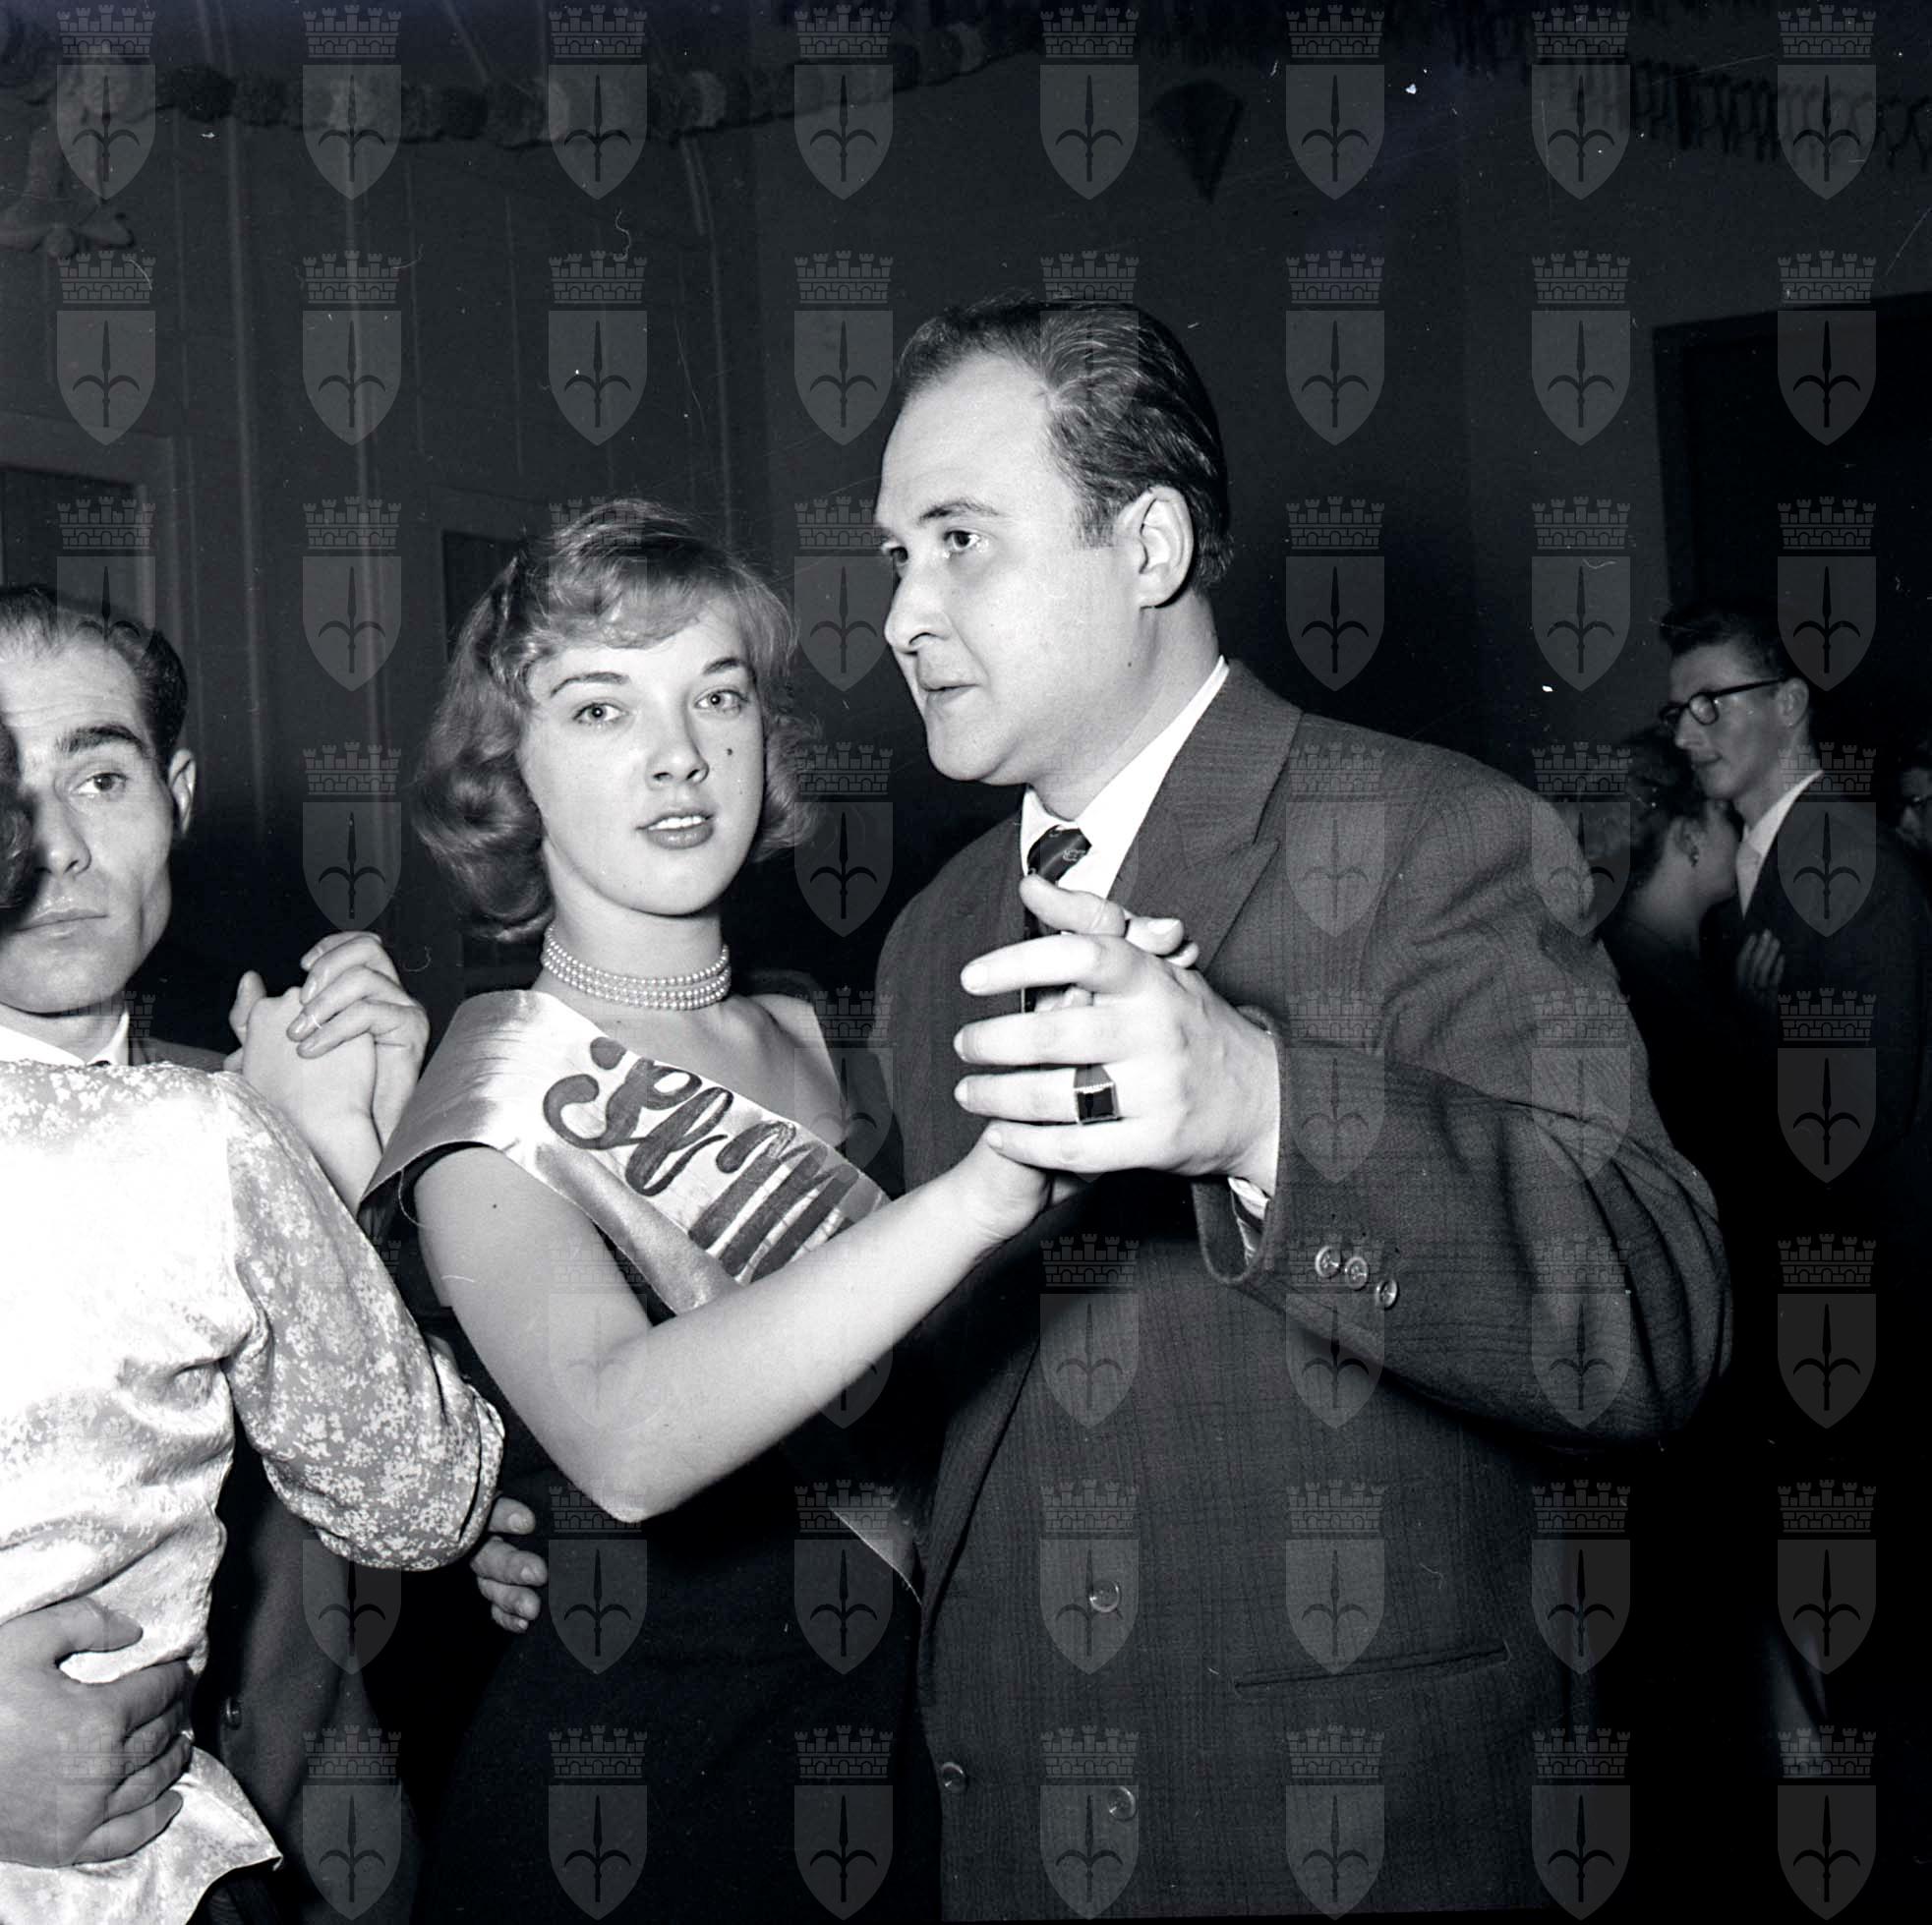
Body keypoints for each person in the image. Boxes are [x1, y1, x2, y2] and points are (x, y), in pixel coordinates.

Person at [480, 302, 1729, 1913]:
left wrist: (1260, 1104)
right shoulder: (934, 932)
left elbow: (1652, 1319)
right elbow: (923, 1392)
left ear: (1147, 544)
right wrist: (536, 1510)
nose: (900, 616)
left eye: (959, 542)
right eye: (896, 556)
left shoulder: (1423, 833)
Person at [359, 500, 1190, 1920]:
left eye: (719, 693)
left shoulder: (846, 1033)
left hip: (916, 1771)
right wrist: (984, 1194)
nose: (679, 752)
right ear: (507, 769)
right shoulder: (492, 1100)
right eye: (601, 706)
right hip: (642, 1805)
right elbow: (625, 1439)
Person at [0, 584, 485, 1922]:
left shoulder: (225, 1112)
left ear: (178, 797)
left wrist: (341, 1183)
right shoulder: (220, 1132)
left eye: (100, 775)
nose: (55, 845)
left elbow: (406, 1513)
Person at [1660, 599, 1929, 1895]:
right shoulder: (1760, 866)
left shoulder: (1848, 862)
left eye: (1714, 701)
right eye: (1679, 710)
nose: (1690, 730)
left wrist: (1747, 1036)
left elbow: (1855, 1128)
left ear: (1790, 703)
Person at [1593, 724, 1748, 1193]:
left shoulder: (1635, 955)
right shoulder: (1653, 989)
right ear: (1690, 838)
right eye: (1724, 814)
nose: (1742, 832)